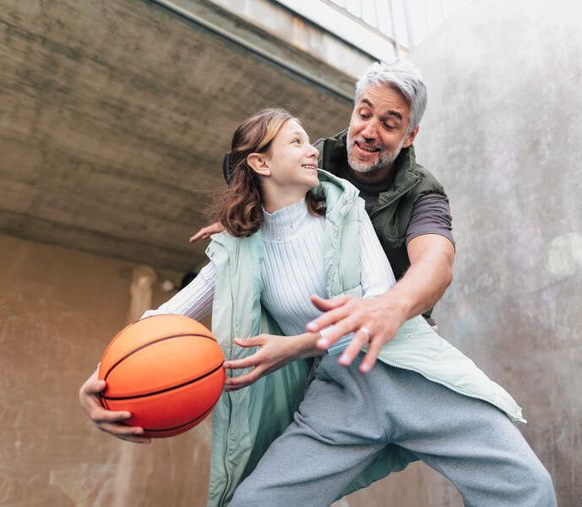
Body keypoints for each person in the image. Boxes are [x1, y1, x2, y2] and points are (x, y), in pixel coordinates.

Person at [81, 108, 556, 506]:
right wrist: (104, 380)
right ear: (261, 164)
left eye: (309, 141)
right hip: (339, 395)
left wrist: (296, 346)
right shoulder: (238, 250)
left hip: (409, 371)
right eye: (296, 141)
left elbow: (375, 305)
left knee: (526, 488)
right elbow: (164, 321)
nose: (313, 150)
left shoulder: (345, 211)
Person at [190, 59, 455, 374]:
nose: (369, 132)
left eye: (389, 123)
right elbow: (269, 180)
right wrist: (245, 213)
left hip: (400, 342)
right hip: (322, 355)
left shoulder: (424, 193)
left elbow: (435, 264)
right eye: (364, 114)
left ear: (410, 135)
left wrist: (390, 307)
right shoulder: (318, 161)